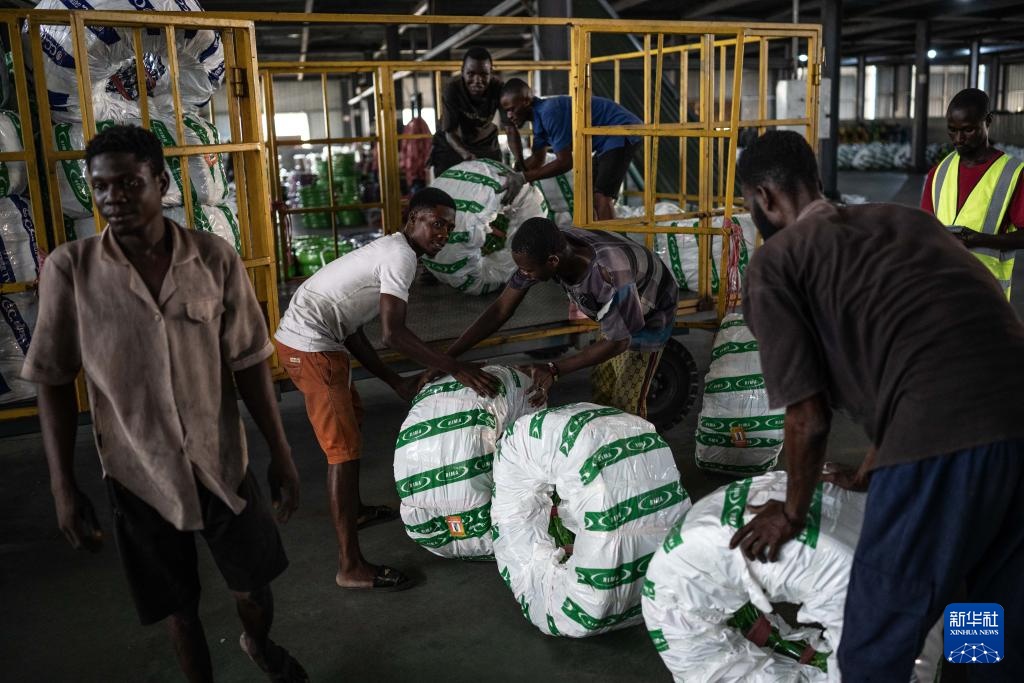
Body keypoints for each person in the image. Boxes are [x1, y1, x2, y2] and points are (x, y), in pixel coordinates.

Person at [728, 130, 1024, 680]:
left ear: (764, 198)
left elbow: (807, 418)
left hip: (943, 438)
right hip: (1014, 420)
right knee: (981, 595)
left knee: (877, 633)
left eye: (749, 203)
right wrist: (871, 467)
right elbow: (932, 343)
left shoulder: (779, 262)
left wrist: (790, 513)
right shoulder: (908, 221)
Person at [22, 125, 307, 682]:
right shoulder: (70, 270)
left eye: (129, 183)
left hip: (221, 460)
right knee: (179, 609)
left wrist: (281, 452)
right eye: (101, 187)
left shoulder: (213, 258)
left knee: (253, 588)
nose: (113, 198)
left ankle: (259, 643)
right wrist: (62, 486)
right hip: (137, 471)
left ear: (162, 182)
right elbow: (52, 379)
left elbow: (249, 362)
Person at [274, 187, 500, 592]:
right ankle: (350, 566)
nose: (443, 234)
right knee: (342, 452)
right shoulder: (400, 256)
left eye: (448, 228)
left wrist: (394, 381)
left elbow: (354, 328)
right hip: (310, 346)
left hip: (321, 339)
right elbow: (393, 334)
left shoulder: (395, 251)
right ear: (413, 219)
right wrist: (456, 368)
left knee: (351, 426)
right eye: (436, 224)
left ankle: (356, 510)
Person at [436, 216, 678, 417]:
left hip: (652, 307)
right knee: (604, 388)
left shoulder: (609, 276)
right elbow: (501, 309)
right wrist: (447, 358)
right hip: (617, 304)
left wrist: (554, 369)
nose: (523, 275)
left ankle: (636, 452)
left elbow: (619, 341)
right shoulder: (548, 247)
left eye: (528, 270)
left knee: (626, 401)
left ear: (553, 261)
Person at [922, 88, 1024, 300]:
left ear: (988, 121)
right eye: (952, 130)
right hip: (941, 294)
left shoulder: (1013, 174)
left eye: (968, 130)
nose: (959, 139)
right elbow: (924, 230)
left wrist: (981, 239)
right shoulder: (939, 173)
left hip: (986, 298)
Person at [498, 78, 641, 221]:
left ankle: (609, 236)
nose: (509, 116)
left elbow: (565, 162)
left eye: (512, 109)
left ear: (526, 101)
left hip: (621, 130)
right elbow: (538, 159)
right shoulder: (539, 120)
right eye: (506, 111)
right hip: (607, 140)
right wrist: (513, 173)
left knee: (601, 196)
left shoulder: (549, 113)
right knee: (588, 196)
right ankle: (598, 233)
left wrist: (524, 177)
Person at [428, 47, 508, 176]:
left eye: (484, 74)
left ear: (491, 73)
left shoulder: (499, 88)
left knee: (495, 178)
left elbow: (511, 128)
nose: (477, 80)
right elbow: (450, 132)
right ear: (462, 72)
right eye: (471, 74)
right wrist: (468, 156)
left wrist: (520, 163)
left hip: (483, 142)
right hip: (452, 142)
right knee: (448, 182)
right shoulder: (452, 89)